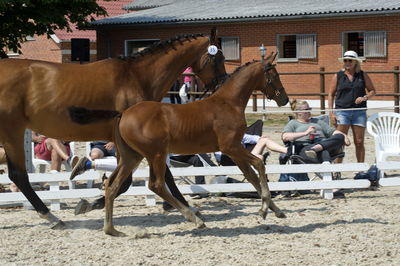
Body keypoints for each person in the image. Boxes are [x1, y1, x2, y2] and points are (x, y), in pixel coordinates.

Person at [328, 50, 376, 162]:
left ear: (355, 62)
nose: (347, 62)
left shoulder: (362, 75)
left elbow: (372, 91)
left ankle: (360, 169)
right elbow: (330, 94)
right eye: (345, 60)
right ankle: (337, 170)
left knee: (359, 142)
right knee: (340, 141)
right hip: (342, 112)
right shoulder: (338, 76)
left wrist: (364, 97)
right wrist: (331, 112)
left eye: (350, 60)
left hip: (359, 112)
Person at [282, 100, 351, 163]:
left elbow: (332, 132)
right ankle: (319, 150)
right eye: (307, 109)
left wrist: (343, 136)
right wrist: (305, 133)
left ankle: (318, 147)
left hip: (323, 143)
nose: (309, 111)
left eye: (309, 109)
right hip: (307, 148)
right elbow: (285, 137)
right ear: (299, 112)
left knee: (339, 136)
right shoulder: (293, 123)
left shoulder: (317, 121)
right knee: (324, 152)